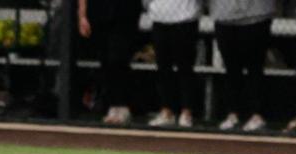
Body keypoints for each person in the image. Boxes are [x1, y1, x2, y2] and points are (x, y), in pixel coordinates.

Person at [211, 0, 274, 132]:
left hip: (256, 16)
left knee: (255, 67)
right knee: (231, 69)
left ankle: (257, 115)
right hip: (225, 17)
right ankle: (233, 113)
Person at [79, 0, 143, 125]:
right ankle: (113, 105)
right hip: (99, 12)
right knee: (105, 60)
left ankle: (123, 105)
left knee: (118, 58)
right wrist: (82, 15)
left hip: (124, 12)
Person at [148, 0, 201, 128]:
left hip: (185, 18)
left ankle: (187, 112)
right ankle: (167, 111)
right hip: (159, 18)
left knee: (185, 67)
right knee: (163, 68)